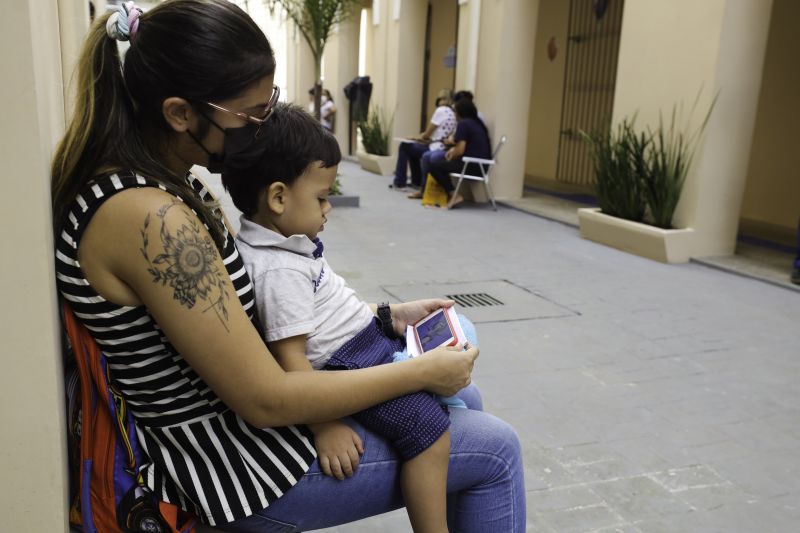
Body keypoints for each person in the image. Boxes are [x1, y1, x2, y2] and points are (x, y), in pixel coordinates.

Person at [51, 1, 524, 531]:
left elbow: (260, 310)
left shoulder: (160, 184)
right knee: (496, 450)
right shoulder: (150, 217)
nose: (262, 126)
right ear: (181, 113)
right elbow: (267, 400)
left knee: (466, 399)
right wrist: (419, 371)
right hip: (231, 469)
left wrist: (388, 313)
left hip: (241, 440)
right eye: (251, 114)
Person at [224, 102, 465, 532]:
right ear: (278, 197)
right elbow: (291, 359)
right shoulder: (278, 268)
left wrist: (394, 316)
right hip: (348, 363)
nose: (328, 208)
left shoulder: (288, 240)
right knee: (429, 432)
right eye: (321, 197)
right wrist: (326, 425)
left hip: (366, 342)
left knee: (461, 355)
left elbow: (328, 307)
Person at [426, 99, 492, 209]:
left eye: (455, 112)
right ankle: (451, 195)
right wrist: (453, 151)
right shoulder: (477, 123)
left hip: (471, 165)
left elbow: (460, 150)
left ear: (460, 112)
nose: (454, 115)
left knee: (434, 165)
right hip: (481, 166)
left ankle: (454, 195)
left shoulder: (463, 124)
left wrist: (452, 154)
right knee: (440, 163)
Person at [392, 89, 457, 190]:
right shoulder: (453, 113)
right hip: (443, 148)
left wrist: (415, 137)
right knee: (413, 148)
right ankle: (416, 181)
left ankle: (400, 181)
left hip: (434, 148)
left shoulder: (441, 111)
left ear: (442, 99)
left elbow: (427, 134)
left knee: (405, 146)